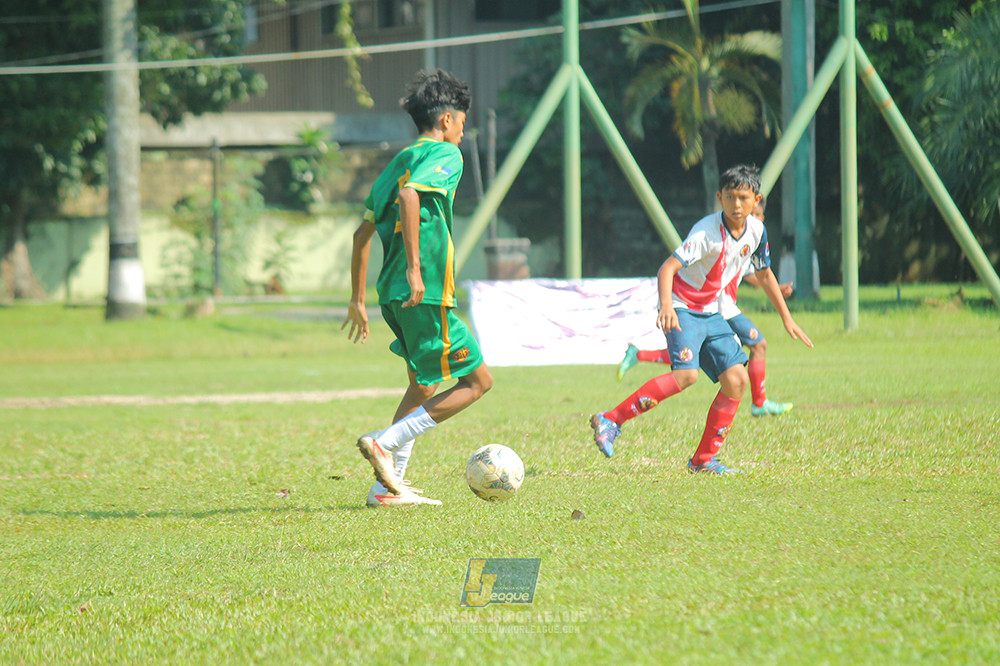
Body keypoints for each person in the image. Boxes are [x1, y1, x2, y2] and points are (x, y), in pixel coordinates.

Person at [590, 165, 813, 473]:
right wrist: (667, 306)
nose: (736, 205)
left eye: (744, 198)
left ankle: (703, 460)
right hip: (683, 307)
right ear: (719, 197)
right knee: (687, 375)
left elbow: (763, 274)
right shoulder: (706, 233)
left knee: (736, 381)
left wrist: (786, 318)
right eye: (730, 197)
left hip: (711, 311)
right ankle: (611, 419)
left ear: (756, 200)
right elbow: (667, 269)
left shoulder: (757, 232)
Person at [342, 69, 493, 506]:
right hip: (422, 292)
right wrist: (415, 270)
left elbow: (360, 235)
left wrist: (356, 299)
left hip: (391, 296)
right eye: (462, 122)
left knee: (423, 385)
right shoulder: (447, 156)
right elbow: (411, 198)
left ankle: (385, 490)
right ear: (446, 120)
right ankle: (385, 443)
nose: (464, 132)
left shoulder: (397, 161)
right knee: (478, 382)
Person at [617, 196, 797, 417]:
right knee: (749, 347)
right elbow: (668, 267)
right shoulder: (715, 236)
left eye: (758, 215)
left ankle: (641, 356)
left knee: (694, 361)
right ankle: (759, 403)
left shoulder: (751, 239)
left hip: (718, 308)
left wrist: (777, 289)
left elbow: (759, 277)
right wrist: (667, 304)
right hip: (717, 308)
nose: (752, 218)